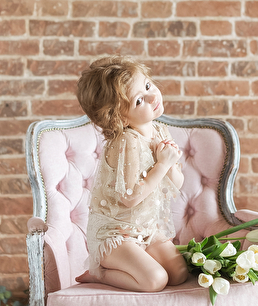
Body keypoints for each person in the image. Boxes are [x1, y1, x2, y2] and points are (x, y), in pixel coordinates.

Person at [75, 55, 188, 292]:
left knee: (179, 273)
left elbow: (177, 183)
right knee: (155, 280)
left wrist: (169, 163)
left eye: (148, 85)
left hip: (146, 229)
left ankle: (139, 258)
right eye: (139, 100)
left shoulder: (160, 130)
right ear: (119, 118)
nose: (152, 96)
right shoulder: (127, 141)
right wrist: (161, 165)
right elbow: (129, 197)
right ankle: (100, 274)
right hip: (115, 233)